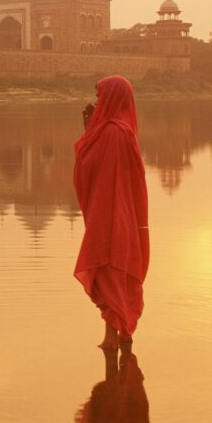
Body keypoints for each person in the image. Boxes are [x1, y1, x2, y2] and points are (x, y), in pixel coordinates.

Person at [73, 75, 150, 349]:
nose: (97, 102)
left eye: (100, 96)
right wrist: (89, 132)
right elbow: (94, 167)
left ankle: (116, 337)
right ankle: (117, 336)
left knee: (112, 268)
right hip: (117, 214)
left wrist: (89, 135)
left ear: (113, 98)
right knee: (112, 270)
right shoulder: (120, 131)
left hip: (112, 215)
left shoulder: (114, 133)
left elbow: (93, 169)